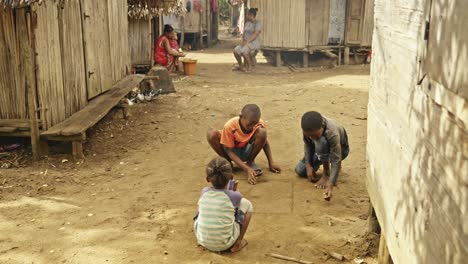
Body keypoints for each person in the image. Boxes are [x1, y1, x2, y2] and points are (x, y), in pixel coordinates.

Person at [207, 104, 281, 185]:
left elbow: (265, 142)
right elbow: (229, 151)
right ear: (241, 116)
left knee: (262, 132)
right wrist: (246, 169)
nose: (251, 127)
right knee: (211, 134)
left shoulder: (259, 124)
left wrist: (271, 162)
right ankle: (228, 163)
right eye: (249, 124)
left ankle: (250, 162)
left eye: (254, 124)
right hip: (231, 151)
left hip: (247, 150)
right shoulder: (230, 126)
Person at [194, 157, 253, 253]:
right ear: (231, 177)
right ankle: (238, 243)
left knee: (203, 205)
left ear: (208, 179)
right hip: (225, 244)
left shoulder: (204, 192)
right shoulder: (235, 196)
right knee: (248, 205)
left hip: (202, 240)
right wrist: (234, 191)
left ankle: (204, 236)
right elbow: (236, 204)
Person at [295, 111, 350, 201]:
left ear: (322, 127)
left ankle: (326, 173)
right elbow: (308, 145)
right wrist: (308, 165)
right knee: (300, 170)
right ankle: (321, 163)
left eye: (315, 135)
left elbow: (336, 160)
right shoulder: (307, 127)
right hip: (319, 150)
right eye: (309, 136)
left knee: (321, 142)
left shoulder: (332, 132)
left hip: (340, 151)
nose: (312, 138)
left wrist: (330, 183)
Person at [233, 8, 262, 72]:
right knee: (235, 50)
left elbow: (255, 34)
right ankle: (241, 66)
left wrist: (247, 41)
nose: (247, 16)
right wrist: (243, 40)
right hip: (246, 42)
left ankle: (250, 66)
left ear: (251, 15)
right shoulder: (247, 23)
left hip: (254, 43)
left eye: (248, 15)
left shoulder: (257, 23)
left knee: (244, 51)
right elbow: (244, 33)